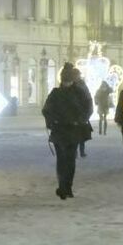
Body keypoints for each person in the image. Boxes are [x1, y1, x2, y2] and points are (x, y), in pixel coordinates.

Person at [43, 62, 93, 200]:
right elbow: (88, 108)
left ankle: (65, 187)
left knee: (64, 159)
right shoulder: (79, 92)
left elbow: (46, 110)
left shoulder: (57, 93)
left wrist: (52, 123)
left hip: (63, 130)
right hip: (70, 129)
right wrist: (80, 120)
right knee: (68, 159)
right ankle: (65, 187)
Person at [73, 69, 93, 158]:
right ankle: (75, 151)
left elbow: (88, 97)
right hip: (74, 113)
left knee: (81, 133)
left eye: (78, 75)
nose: (78, 76)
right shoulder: (72, 85)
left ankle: (81, 151)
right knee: (74, 134)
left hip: (81, 113)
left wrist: (88, 112)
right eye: (77, 75)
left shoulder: (82, 84)